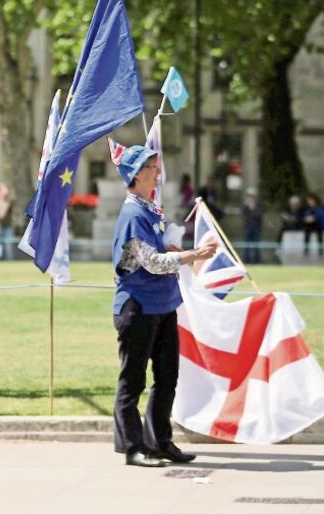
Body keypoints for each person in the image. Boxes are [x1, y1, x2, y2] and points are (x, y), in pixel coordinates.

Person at [111, 145, 217, 468]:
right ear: (137, 174)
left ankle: (159, 441)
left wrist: (175, 249)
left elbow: (156, 252)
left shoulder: (148, 210)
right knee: (133, 379)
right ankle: (133, 447)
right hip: (138, 306)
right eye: (152, 167)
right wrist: (193, 255)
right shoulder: (132, 214)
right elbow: (153, 263)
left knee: (167, 375)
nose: (158, 172)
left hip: (161, 304)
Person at [241, 188, 263, 264]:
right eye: (250, 196)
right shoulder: (245, 206)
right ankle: (246, 261)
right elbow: (244, 216)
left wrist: (253, 208)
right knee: (246, 245)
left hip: (256, 228)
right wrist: (249, 207)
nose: (251, 198)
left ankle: (257, 261)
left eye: (253, 196)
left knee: (256, 246)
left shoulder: (258, 205)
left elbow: (258, 215)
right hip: (247, 228)